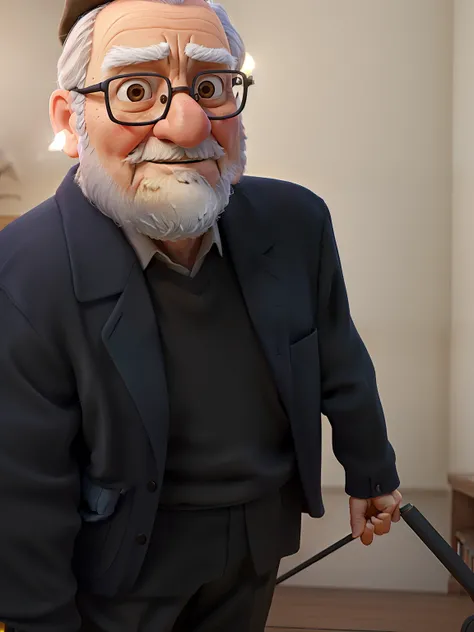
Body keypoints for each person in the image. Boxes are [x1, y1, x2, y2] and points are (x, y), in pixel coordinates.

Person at [0, 1, 402, 630]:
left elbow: (337, 355)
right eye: (136, 90)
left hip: (258, 541)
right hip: (119, 561)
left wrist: (370, 467)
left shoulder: (295, 225)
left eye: (211, 87)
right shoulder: (24, 271)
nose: (189, 126)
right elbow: (20, 492)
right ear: (71, 120)